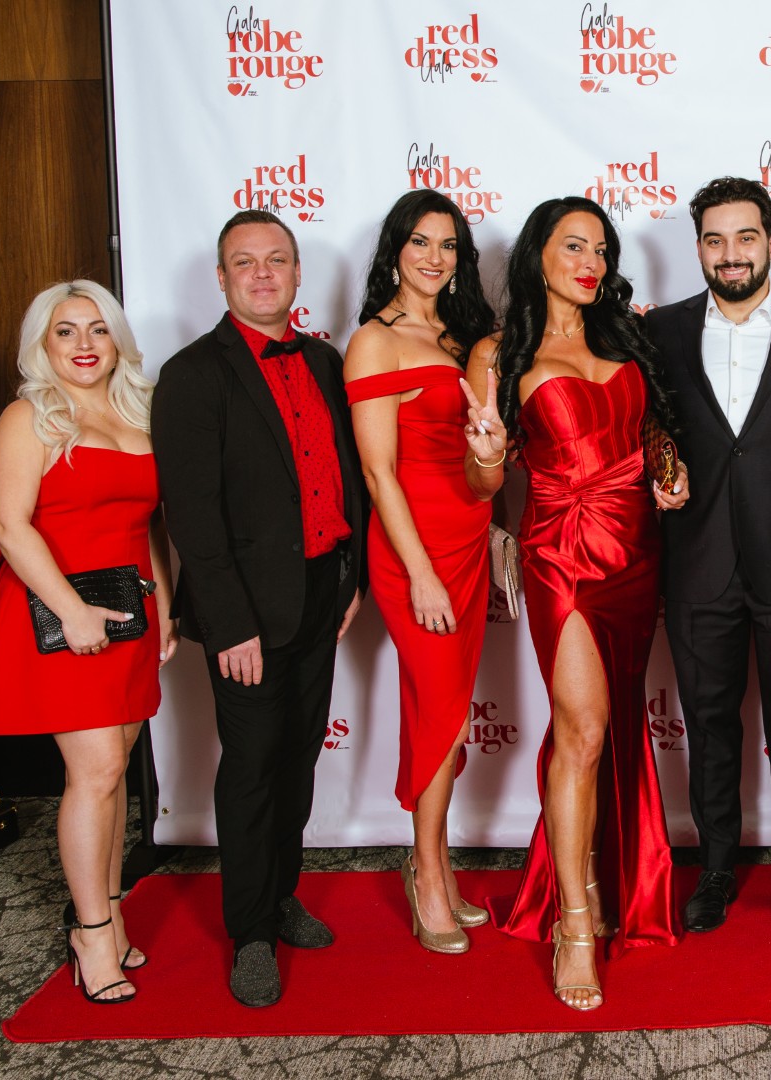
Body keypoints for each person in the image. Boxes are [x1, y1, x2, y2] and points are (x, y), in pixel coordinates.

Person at [153, 210, 367, 1007]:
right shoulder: (191, 375)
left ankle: (280, 896)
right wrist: (230, 625)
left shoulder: (324, 360)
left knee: (297, 759)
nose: (263, 273)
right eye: (245, 262)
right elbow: (193, 518)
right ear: (222, 279)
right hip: (245, 611)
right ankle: (249, 933)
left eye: (277, 259)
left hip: (320, 593)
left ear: (297, 272)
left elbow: (350, 479)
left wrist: (352, 580)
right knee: (250, 769)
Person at [481, 196, 688, 1011]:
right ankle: (574, 922)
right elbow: (483, 480)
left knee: (619, 724)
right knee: (584, 730)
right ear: (538, 254)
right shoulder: (502, 351)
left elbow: (652, 432)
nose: (590, 262)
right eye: (573, 246)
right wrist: (485, 456)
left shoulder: (625, 334)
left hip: (637, 549)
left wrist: (670, 469)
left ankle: (605, 878)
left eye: (600, 249)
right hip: (561, 555)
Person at [645, 177, 771, 936]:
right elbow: (648, 424)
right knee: (708, 726)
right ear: (698, 246)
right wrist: (658, 463)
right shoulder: (660, 330)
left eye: (744, 237)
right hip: (697, 559)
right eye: (714, 239)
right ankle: (717, 867)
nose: (730, 254)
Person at [0, 281, 177, 1003]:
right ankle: (90, 933)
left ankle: (110, 916)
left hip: (129, 611)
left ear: (117, 340)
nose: (85, 344)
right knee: (95, 771)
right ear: (43, 344)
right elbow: (9, 525)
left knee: (114, 770)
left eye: (98, 328)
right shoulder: (29, 416)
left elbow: (150, 525)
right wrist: (73, 611)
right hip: (57, 614)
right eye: (66, 331)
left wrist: (165, 606)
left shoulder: (138, 411)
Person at [343, 190, 500, 954]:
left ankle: (434, 864)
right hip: (417, 552)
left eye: (448, 245)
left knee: (444, 713)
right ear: (395, 251)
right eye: (420, 242)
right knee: (441, 716)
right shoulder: (375, 341)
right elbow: (378, 473)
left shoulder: (464, 336)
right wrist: (421, 575)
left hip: (469, 539)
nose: (434, 258)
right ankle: (428, 876)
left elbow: (484, 456)